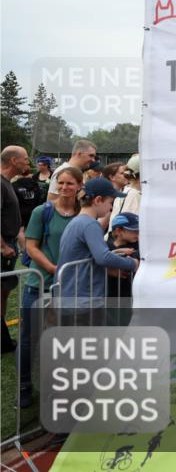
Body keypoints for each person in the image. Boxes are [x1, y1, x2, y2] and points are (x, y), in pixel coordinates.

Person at [18, 166, 83, 407]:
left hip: (70, 288)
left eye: (70, 184)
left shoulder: (82, 215)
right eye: (61, 183)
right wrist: (52, 269)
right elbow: (31, 246)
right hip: (40, 286)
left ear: (79, 186)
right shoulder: (41, 212)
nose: (65, 188)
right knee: (29, 339)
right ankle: (24, 386)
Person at [54, 178, 137, 320]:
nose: (110, 208)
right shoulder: (90, 224)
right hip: (83, 298)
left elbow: (88, 255)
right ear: (98, 200)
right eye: (110, 202)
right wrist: (133, 264)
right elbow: (102, 257)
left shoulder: (77, 221)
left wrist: (114, 253)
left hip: (71, 294)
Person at [1, 146, 28, 354]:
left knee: (4, 293)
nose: (27, 163)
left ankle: (4, 341)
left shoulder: (7, 183)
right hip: (4, 248)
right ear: (13, 161)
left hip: (9, 244)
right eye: (25, 159)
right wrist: (3, 246)